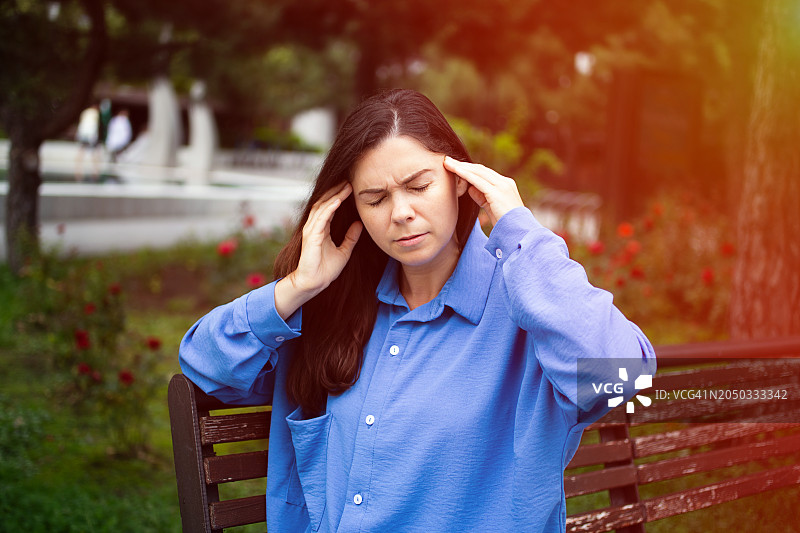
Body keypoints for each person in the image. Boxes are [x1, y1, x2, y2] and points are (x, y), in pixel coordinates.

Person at [179, 89, 656, 532]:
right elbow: (204, 367)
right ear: (355, 211)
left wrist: (522, 235)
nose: (400, 212)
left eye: (418, 186)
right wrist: (297, 287)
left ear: (460, 181)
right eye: (376, 198)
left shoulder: (528, 311)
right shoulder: (334, 309)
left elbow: (625, 373)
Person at [74, 103, 100, 181]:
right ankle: (95, 168)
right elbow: (94, 125)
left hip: (82, 133)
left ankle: (78, 165)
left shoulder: (85, 112)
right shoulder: (95, 113)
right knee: (94, 151)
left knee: (82, 149)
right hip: (90, 134)